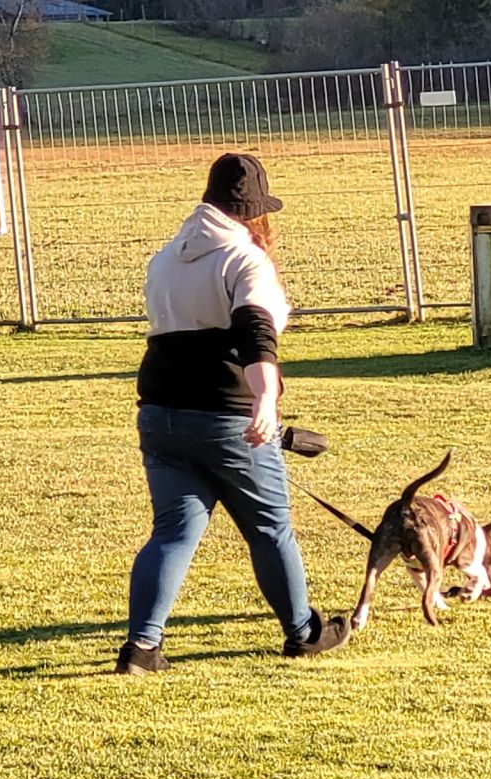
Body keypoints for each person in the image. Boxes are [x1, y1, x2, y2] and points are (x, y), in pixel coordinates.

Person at [117, 152, 350, 675]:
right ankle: (303, 632)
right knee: (270, 528)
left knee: (173, 533)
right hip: (225, 415)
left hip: (159, 412)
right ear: (253, 212)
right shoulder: (245, 259)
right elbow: (256, 336)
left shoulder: (165, 258)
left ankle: (142, 647)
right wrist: (265, 400)